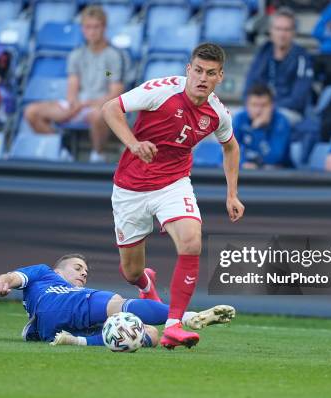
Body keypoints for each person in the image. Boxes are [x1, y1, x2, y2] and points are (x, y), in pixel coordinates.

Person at [101, 43, 245, 349]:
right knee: (131, 272)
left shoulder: (217, 112)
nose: (202, 78)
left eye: (210, 73)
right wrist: (133, 143)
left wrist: (232, 194)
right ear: (188, 70)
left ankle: (173, 325)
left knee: (192, 241)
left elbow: (231, 146)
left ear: (220, 77)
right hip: (130, 187)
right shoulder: (161, 90)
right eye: (197, 70)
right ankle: (146, 283)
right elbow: (110, 108)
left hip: (173, 183)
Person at [0, 253, 236, 347]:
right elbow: (12, 276)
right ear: (58, 271)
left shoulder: (79, 289)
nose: (83, 273)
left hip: (53, 329)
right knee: (117, 303)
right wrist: (2, 282)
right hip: (69, 306)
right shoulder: (44, 273)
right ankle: (186, 317)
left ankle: (76, 342)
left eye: (86, 270)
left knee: (148, 333)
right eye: (77, 268)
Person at [24, 6, 124, 163]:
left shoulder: (114, 56)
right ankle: (62, 150)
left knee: (98, 115)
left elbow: (115, 91)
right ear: (82, 29)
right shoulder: (76, 55)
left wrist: (86, 104)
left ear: (104, 28)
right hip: (79, 104)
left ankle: (97, 155)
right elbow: (73, 84)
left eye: (96, 27)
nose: (92, 31)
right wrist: (72, 103)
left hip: (99, 105)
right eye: (88, 27)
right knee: (32, 112)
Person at [243, 7, 313, 125]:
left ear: (293, 32)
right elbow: (249, 85)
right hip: (259, 107)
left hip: (288, 111)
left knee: (274, 122)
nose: (282, 34)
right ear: (271, 31)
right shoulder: (264, 52)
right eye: (278, 29)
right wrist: (254, 106)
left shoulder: (302, 57)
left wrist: (268, 109)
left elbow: (298, 99)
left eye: (286, 30)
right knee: (228, 120)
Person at [233, 84, 292, 169]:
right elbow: (227, 152)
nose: (258, 110)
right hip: (246, 172)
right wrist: (242, 163)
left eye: (264, 105)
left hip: (279, 174)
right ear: (247, 106)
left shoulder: (281, 122)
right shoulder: (239, 119)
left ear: (272, 106)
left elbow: (274, 158)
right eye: (254, 105)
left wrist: (257, 130)